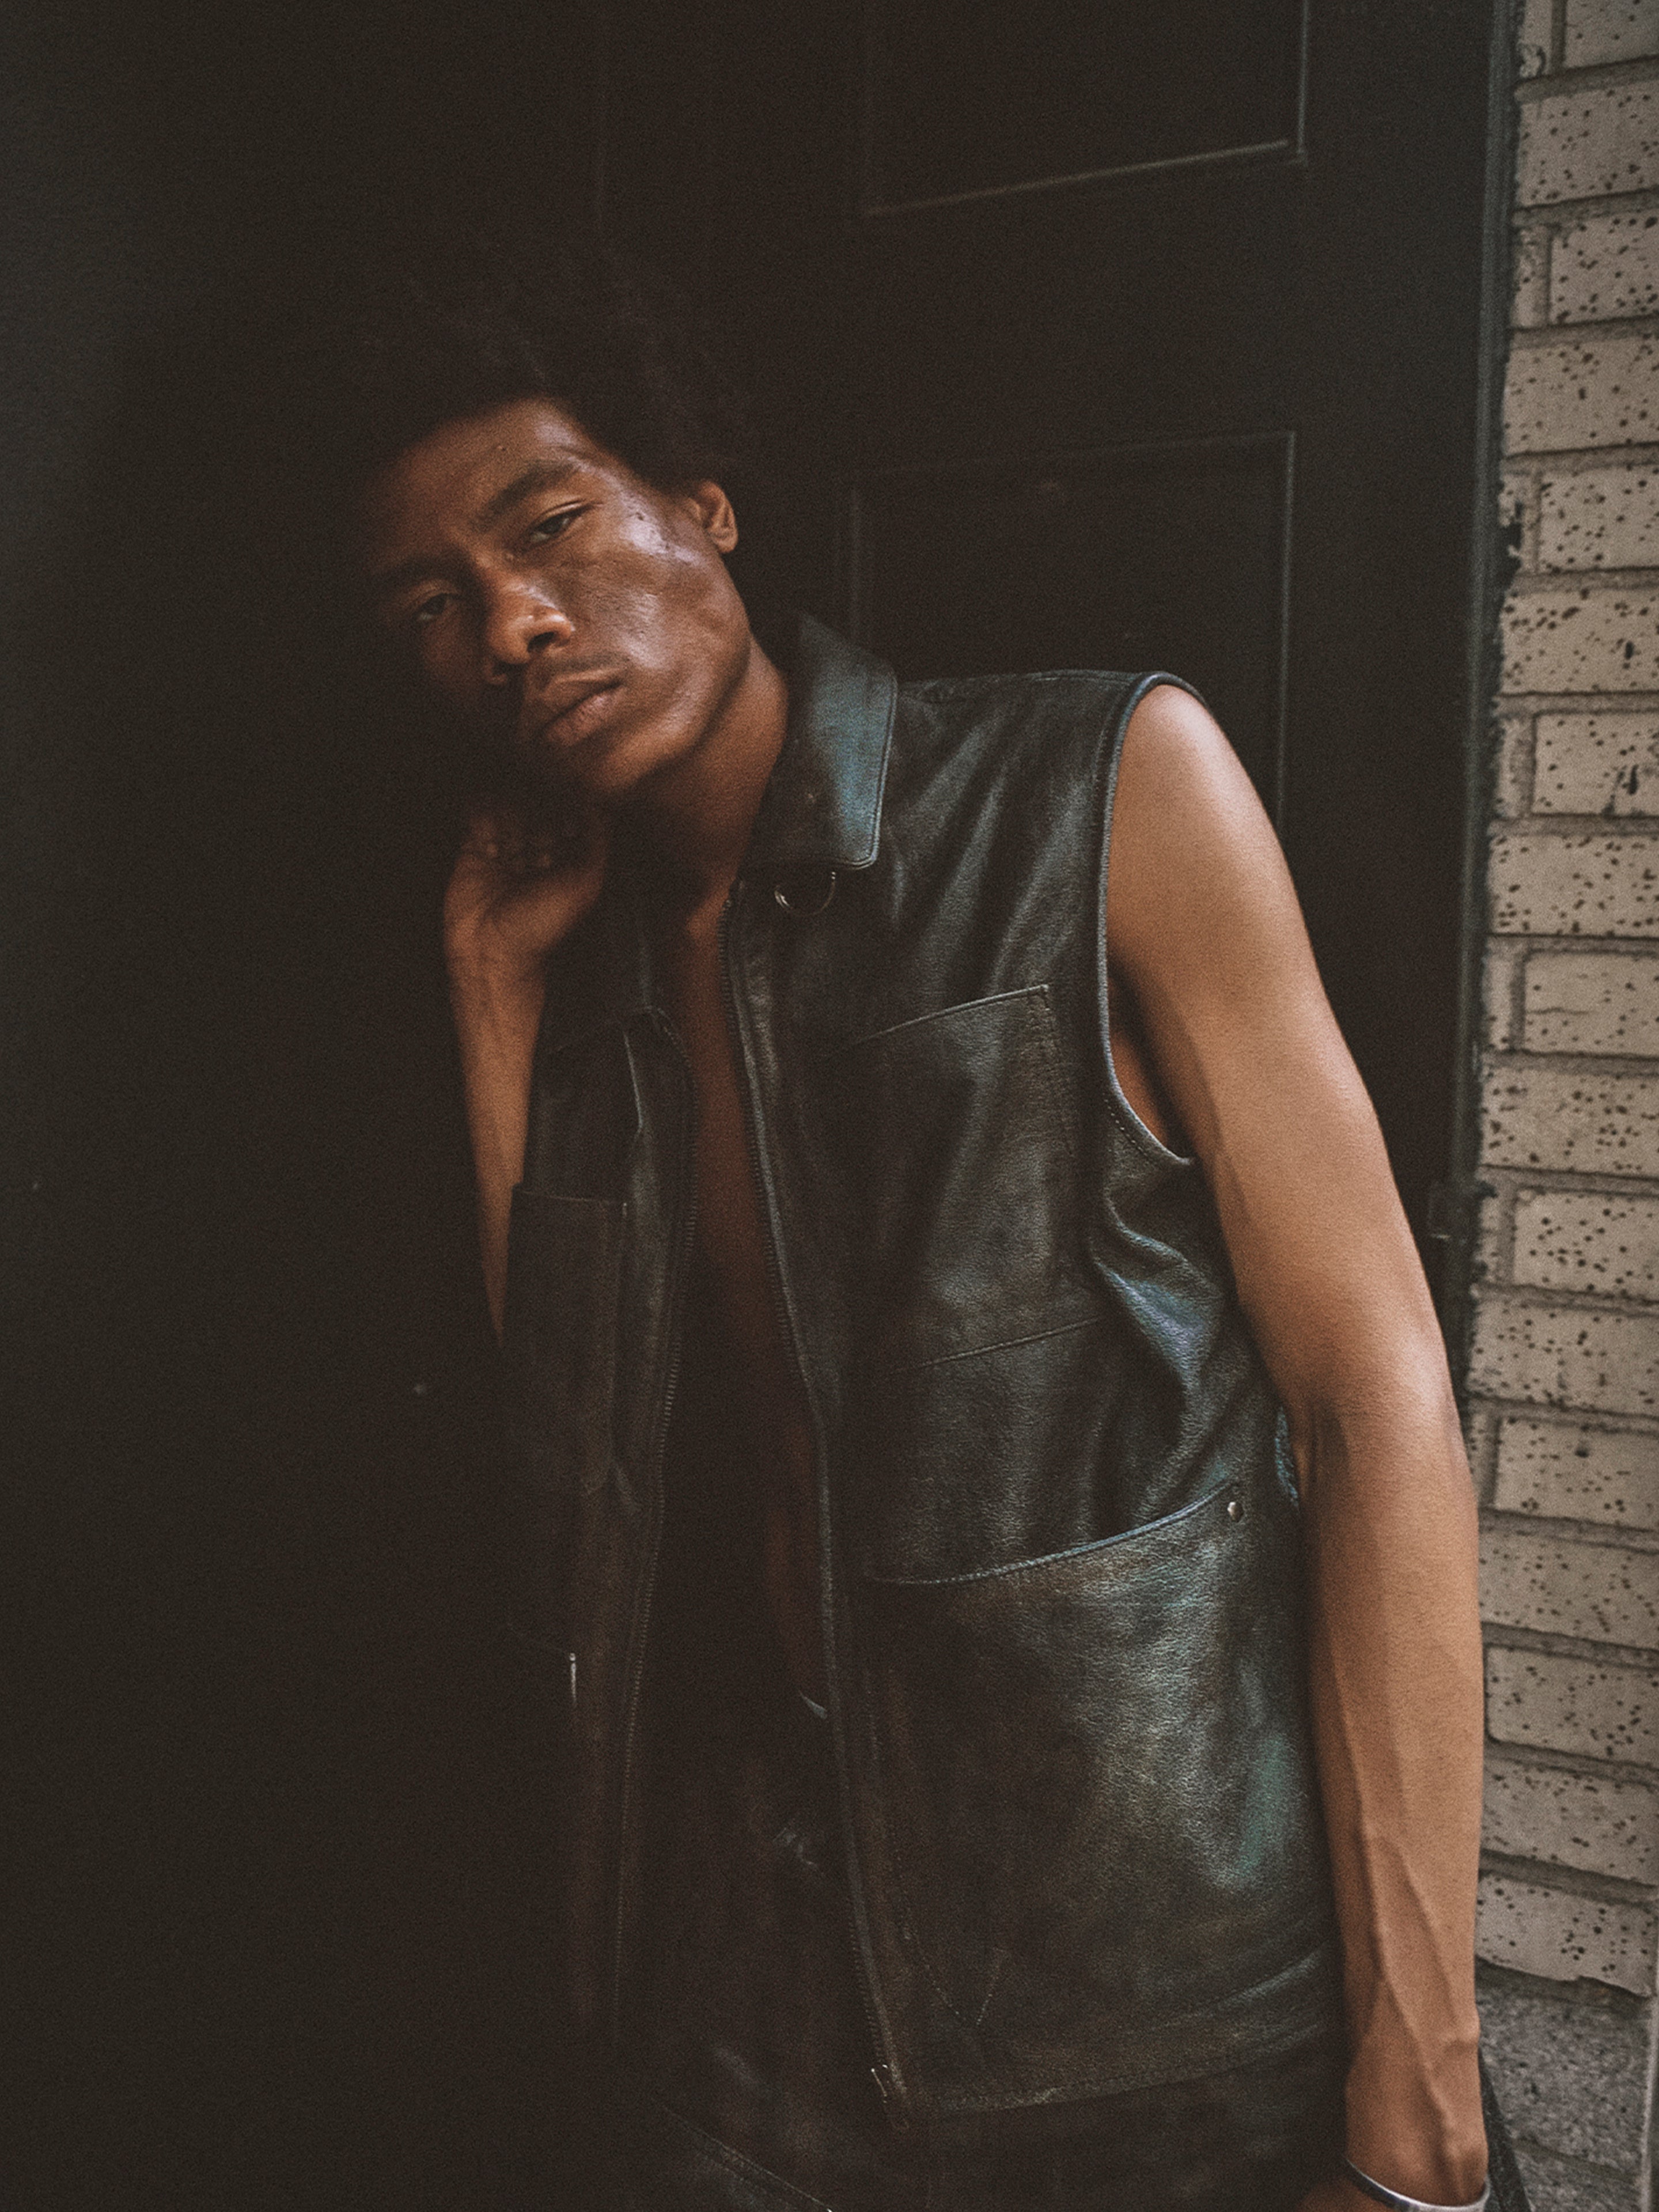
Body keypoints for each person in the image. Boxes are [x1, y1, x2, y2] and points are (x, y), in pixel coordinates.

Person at [331, 231, 1520, 2212]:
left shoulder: (1100, 785)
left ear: (700, 506)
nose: (518, 625)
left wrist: (1424, 2049)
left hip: (1149, 1993)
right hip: (750, 2001)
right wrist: (489, 1003)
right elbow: (581, 1484)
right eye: (441, 607)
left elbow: (1373, 1392)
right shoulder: (587, 959)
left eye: (554, 530)